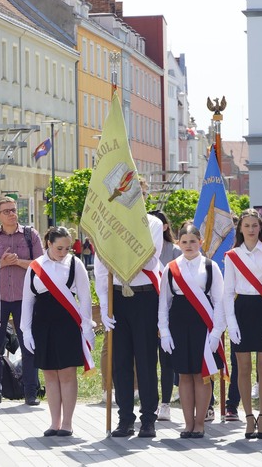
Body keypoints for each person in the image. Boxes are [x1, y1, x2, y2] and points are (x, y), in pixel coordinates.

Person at [95, 179, 163, 438]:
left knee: (145, 361)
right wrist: (104, 305)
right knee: (120, 361)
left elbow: (149, 257)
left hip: (144, 297)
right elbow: (102, 269)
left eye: (141, 193)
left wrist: (119, 252)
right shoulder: (108, 223)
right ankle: (125, 419)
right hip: (117, 298)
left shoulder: (152, 223)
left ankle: (148, 419)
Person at [22, 227, 93, 437]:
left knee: (67, 374)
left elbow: (85, 297)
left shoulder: (75, 264)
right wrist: (26, 330)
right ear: (49, 244)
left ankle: (67, 423)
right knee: (50, 374)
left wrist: (87, 327)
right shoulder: (35, 267)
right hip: (42, 325)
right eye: (59, 248)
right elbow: (27, 300)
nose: (63, 252)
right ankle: (54, 422)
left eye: (67, 248)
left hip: (67, 324)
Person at [158, 223, 226, 438]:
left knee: (202, 374)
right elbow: (164, 302)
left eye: (193, 241)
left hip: (203, 325)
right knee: (185, 375)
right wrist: (164, 331)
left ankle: (200, 424)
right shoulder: (170, 267)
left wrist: (216, 333)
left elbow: (219, 301)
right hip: (179, 323)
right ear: (178, 242)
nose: (188, 246)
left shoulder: (210, 266)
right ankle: (187, 424)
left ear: (201, 242)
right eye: (184, 242)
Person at [223, 209, 262, 439]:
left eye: (254, 226)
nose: (250, 230)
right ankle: (248, 417)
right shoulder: (231, 256)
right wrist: (231, 322)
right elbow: (227, 292)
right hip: (242, 311)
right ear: (240, 228)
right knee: (244, 368)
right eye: (246, 226)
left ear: (260, 228)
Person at [0, 197, 43, 406]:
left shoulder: (30, 235)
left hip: (24, 299)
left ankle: (31, 392)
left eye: (14, 210)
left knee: (28, 346)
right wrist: (1, 263)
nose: (12, 214)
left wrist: (18, 261)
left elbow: (40, 265)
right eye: (7, 211)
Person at [149, 210, 182, 422]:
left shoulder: (175, 250)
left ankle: (166, 403)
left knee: (167, 359)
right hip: (147, 309)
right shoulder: (142, 249)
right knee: (148, 360)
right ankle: (150, 401)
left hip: (170, 312)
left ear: (165, 227)